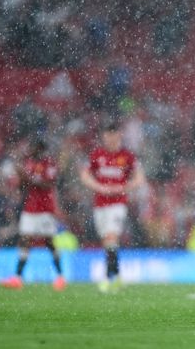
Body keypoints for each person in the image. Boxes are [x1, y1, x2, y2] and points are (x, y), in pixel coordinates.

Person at [80, 121, 146, 293]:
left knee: (111, 237)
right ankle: (117, 276)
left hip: (118, 204)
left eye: (113, 135)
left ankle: (108, 279)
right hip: (100, 204)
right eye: (107, 135)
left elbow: (139, 178)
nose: (109, 138)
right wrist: (99, 187)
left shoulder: (127, 156)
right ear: (103, 136)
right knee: (107, 242)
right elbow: (84, 175)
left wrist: (123, 188)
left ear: (119, 135)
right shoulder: (97, 155)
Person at [0, 139, 66, 291]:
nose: (31, 150)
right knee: (25, 239)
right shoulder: (29, 163)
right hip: (30, 207)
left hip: (45, 208)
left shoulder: (49, 163)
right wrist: (21, 175)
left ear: (41, 149)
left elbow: (50, 183)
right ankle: (17, 277)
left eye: (34, 147)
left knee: (49, 242)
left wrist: (30, 179)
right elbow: (24, 185)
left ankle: (60, 276)